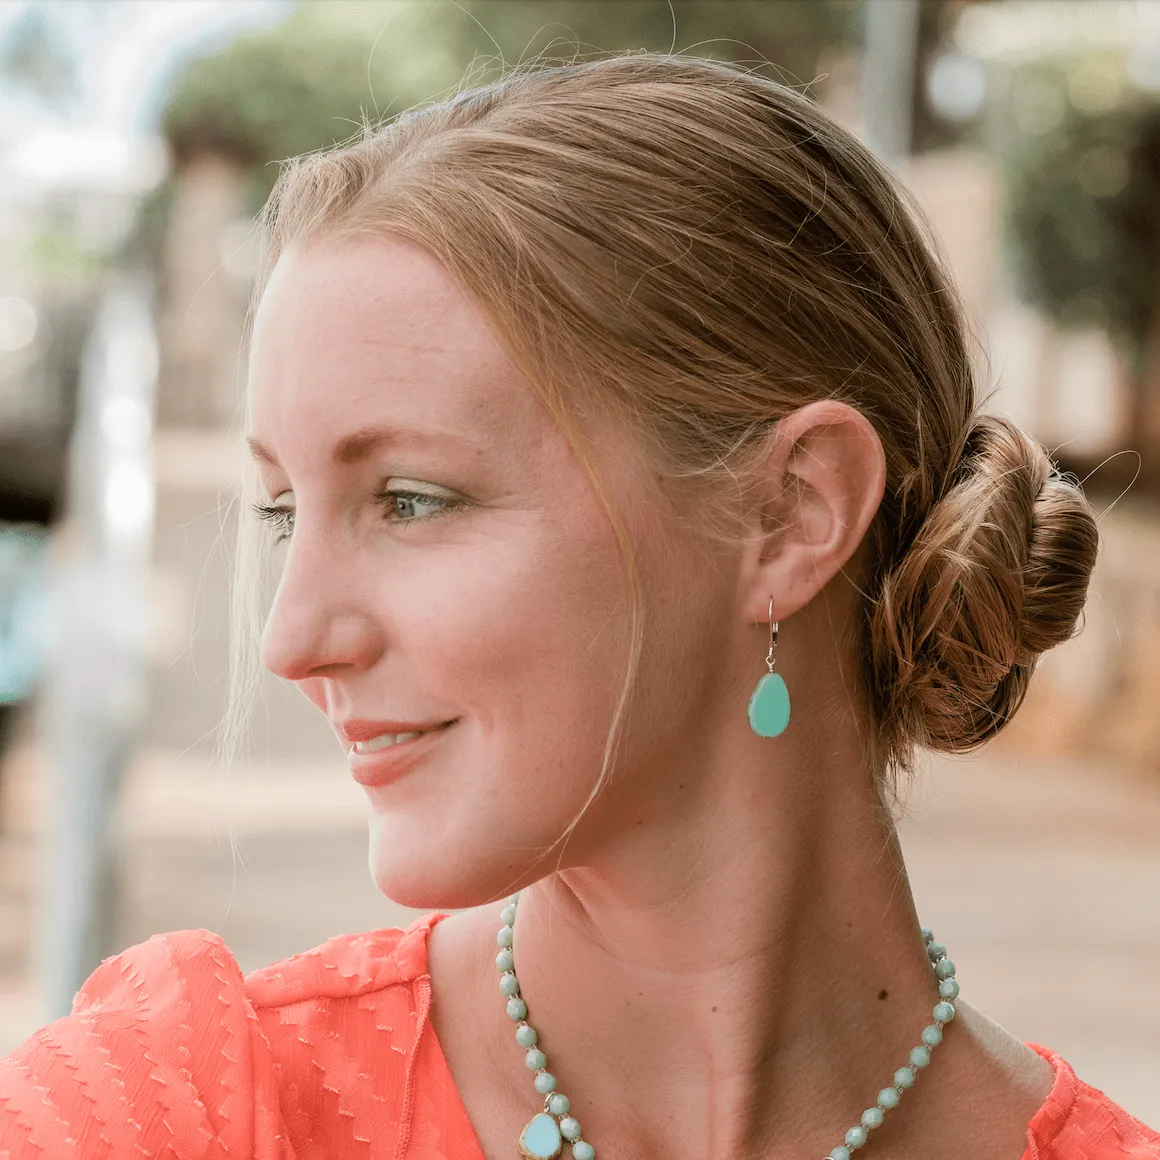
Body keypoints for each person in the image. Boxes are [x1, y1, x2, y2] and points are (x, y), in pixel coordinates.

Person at [1, 52, 1157, 1160]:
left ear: (790, 513)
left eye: (408, 500)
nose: (292, 639)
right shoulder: (162, 1112)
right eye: (281, 511)